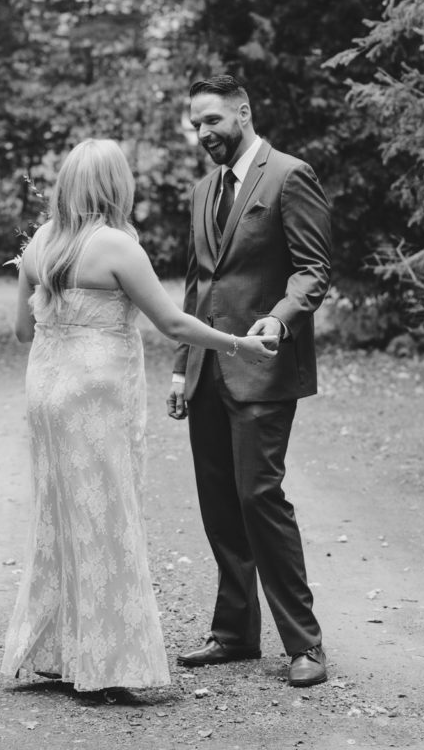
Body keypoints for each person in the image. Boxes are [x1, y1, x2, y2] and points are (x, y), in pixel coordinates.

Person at [0, 137, 276, 695]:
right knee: (104, 518)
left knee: (57, 516)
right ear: (114, 185)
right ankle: (105, 665)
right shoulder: (117, 247)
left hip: (47, 394)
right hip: (96, 396)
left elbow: (23, 332)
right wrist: (237, 346)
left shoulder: (41, 245)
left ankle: (54, 649)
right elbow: (173, 324)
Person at [168, 75, 332, 688]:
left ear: (243, 111)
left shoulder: (290, 175)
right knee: (218, 504)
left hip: (263, 366)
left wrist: (280, 319)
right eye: (196, 126)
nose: (204, 133)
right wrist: (183, 367)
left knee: (260, 497)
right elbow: (196, 284)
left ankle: (305, 643)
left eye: (212, 120)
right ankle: (235, 633)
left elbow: (314, 270)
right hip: (209, 369)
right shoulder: (202, 190)